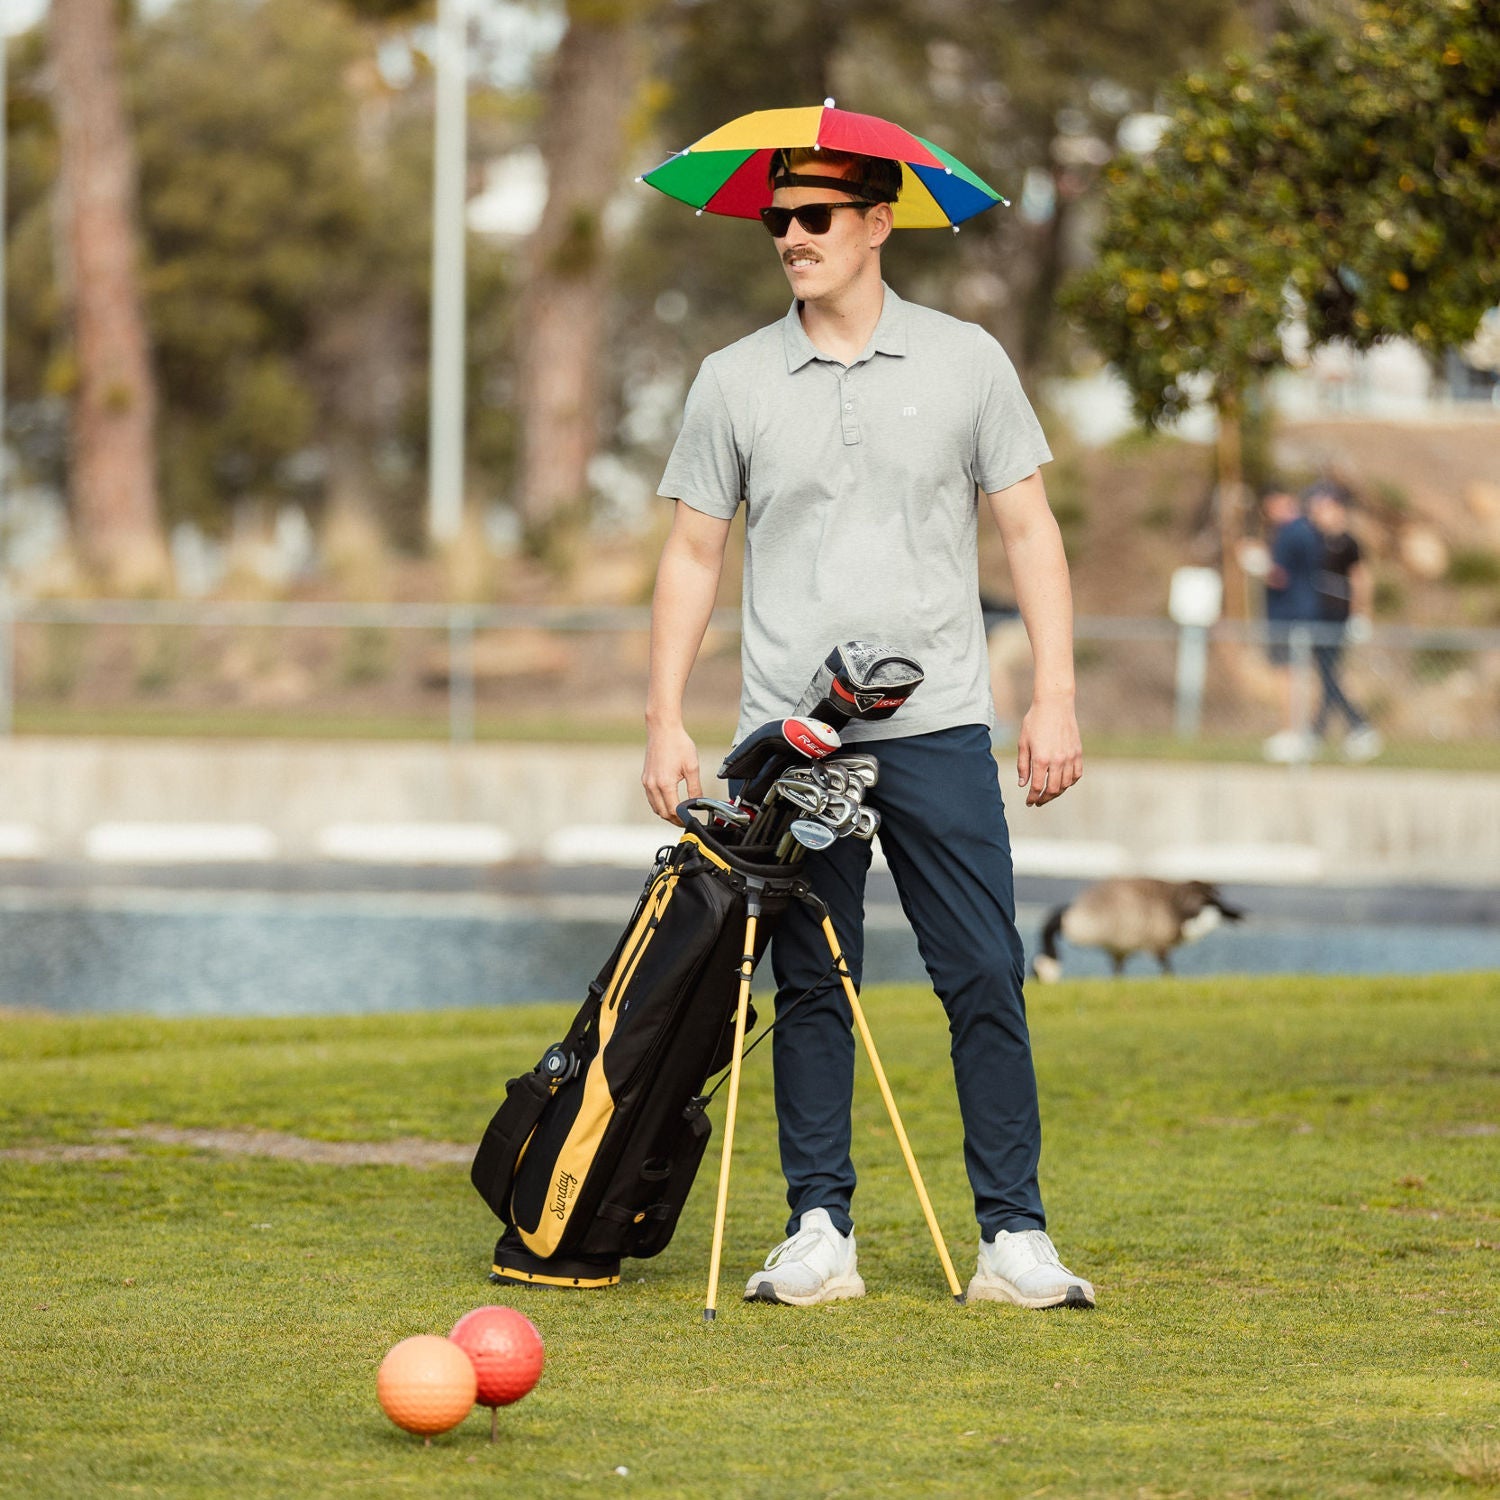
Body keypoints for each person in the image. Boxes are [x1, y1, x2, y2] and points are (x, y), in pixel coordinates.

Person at [642, 143, 1093, 1310]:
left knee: (987, 970)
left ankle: (1014, 1239)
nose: (790, 235)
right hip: (790, 743)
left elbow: (1031, 533)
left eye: (814, 216)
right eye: (774, 220)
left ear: (878, 220)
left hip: (940, 726)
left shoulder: (966, 361)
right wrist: (661, 718)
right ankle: (818, 1232)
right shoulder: (732, 379)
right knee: (810, 983)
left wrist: (1054, 694)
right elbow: (694, 554)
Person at [1306, 482, 1382, 761]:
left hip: (1339, 615)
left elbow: (1361, 579)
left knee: (1329, 673)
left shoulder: (1348, 542)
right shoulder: (1313, 538)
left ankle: (1358, 724)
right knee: (1326, 674)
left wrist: (1361, 613)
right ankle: (1319, 731)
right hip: (1317, 614)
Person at [1256, 485, 1324, 763]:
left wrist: (1257, 564)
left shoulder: (1289, 533)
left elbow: (1278, 576)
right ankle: (1301, 731)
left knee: (1287, 674)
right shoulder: (1309, 530)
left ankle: (1291, 731)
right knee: (1299, 673)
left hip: (1288, 614)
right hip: (1305, 611)